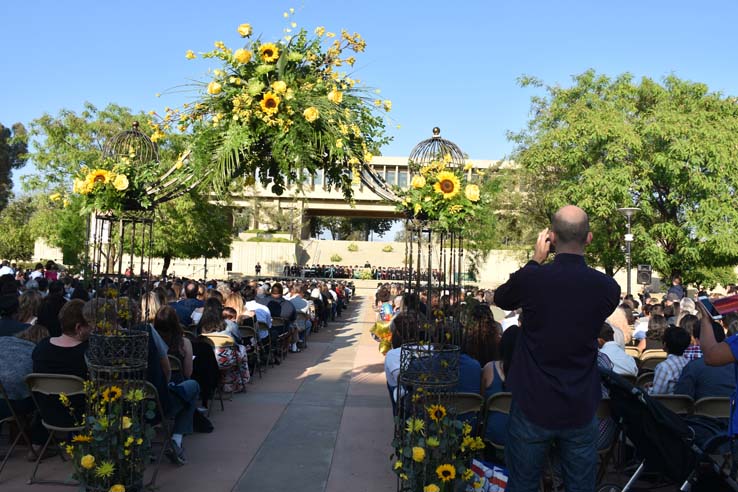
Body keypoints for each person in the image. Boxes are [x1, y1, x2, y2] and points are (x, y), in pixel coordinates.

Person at [493, 205, 620, 492]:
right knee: (579, 486)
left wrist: (536, 260)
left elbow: (502, 298)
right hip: (580, 401)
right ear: (589, 238)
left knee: (522, 484)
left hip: (533, 401)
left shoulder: (533, 278)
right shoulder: (608, 288)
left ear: (550, 237)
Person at [674, 319, 736, 400]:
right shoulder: (734, 363)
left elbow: (681, 400)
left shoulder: (693, 367)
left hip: (701, 411)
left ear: (698, 341)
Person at [649, 325, 690, 395]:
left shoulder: (664, 367)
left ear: (665, 344)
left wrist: (647, 389)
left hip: (665, 404)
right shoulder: (689, 363)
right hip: (684, 404)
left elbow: (656, 394)